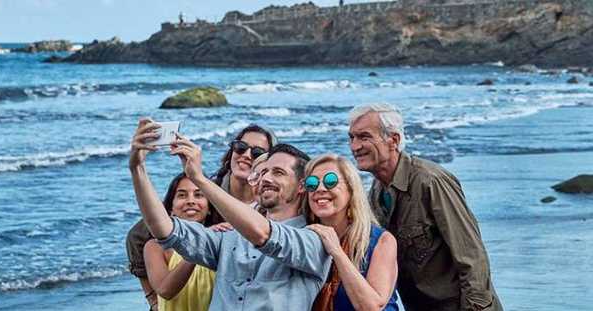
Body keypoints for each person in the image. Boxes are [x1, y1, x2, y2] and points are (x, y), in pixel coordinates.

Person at [129, 117, 331, 310]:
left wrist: (199, 178)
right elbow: (165, 229)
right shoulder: (229, 237)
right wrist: (137, 168)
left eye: (278, 172)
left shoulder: (314, 241)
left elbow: (263, 234)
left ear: (302, 186)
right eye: (262, 172)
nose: (265, 178)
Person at [347, 103, 502, 311]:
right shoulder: (376, 193)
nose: (355, 146)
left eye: (364, 137)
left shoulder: (431, 181)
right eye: (352, 137)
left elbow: (471, 257)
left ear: (393, 140)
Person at [125, 124, 277, 308]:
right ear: (232, 152)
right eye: (240, 147)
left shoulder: (271, 202)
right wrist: (152, 298)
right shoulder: (206, 190)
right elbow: (141, 233)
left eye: (257, 152)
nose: (246, 155)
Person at [303, 154, 399, 311]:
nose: (320, 189)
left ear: (351, 189)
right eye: (312, 184)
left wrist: (336, 252)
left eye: (330, 181)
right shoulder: (305, 238)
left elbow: (371, 307)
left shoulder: (381, 241)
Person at [141, 172, 216, 311]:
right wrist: (199, 245)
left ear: (210, 207)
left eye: (199, 195)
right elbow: (165, 291)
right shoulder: (155, 247)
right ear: (171, 209)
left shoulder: (220, 238)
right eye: (182, 195)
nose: (190, 201)